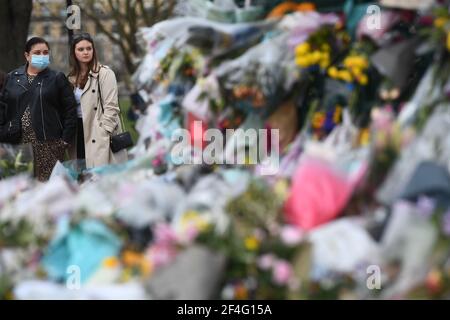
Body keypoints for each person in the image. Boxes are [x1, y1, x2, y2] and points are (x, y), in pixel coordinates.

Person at [0, 37, 77, 181]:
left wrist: (65, 141)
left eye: (45, 52)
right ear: (27, 56)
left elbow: (70, 110)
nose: (42, 56)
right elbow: (2, 109)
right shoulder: (12, 78)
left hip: (49, 144)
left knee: (47, 187)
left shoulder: (56, 78)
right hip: (18, 143)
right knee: (21, 186)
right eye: (37, 53)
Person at [68, 32, 127, 168]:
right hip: (78, 132)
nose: (86, 52)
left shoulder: (104, 73)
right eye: (81, 49)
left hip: (98, 132)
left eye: (89, 48)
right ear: (74, 52)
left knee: (100, 176)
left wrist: (103, 132)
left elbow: (112, 107)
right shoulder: (71, 78)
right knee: (82, 177)